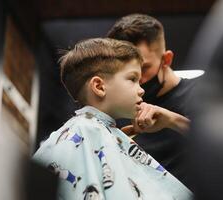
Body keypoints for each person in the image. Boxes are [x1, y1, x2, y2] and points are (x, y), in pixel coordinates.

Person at [32, 38, 192, 200]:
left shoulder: (101, 134)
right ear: (99, 87)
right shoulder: (84, 132)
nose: (141, 90)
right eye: (132, 79)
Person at [107, 13, 197, 189]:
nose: (137, 79)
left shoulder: (201, 94)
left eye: (143, 68)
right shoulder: (119, 110)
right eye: (127, 72)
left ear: (167, 59)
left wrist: (173, 120)